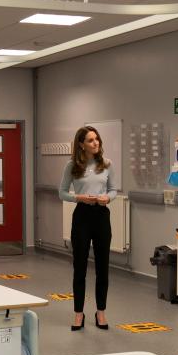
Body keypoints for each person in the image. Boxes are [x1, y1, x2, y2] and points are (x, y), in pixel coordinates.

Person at [59, 125, 116, 331]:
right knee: (79, 268)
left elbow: (113, 190)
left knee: (103, 269)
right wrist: (79, 197)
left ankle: (100, 311)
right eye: (91, 140)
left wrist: (107, 198)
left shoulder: (107, 164)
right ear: (81, 144)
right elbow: (62, 193)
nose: (96, 143)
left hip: (101, 216)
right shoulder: (72, 165)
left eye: (97, 139)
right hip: (82, 216)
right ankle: (78, 313)